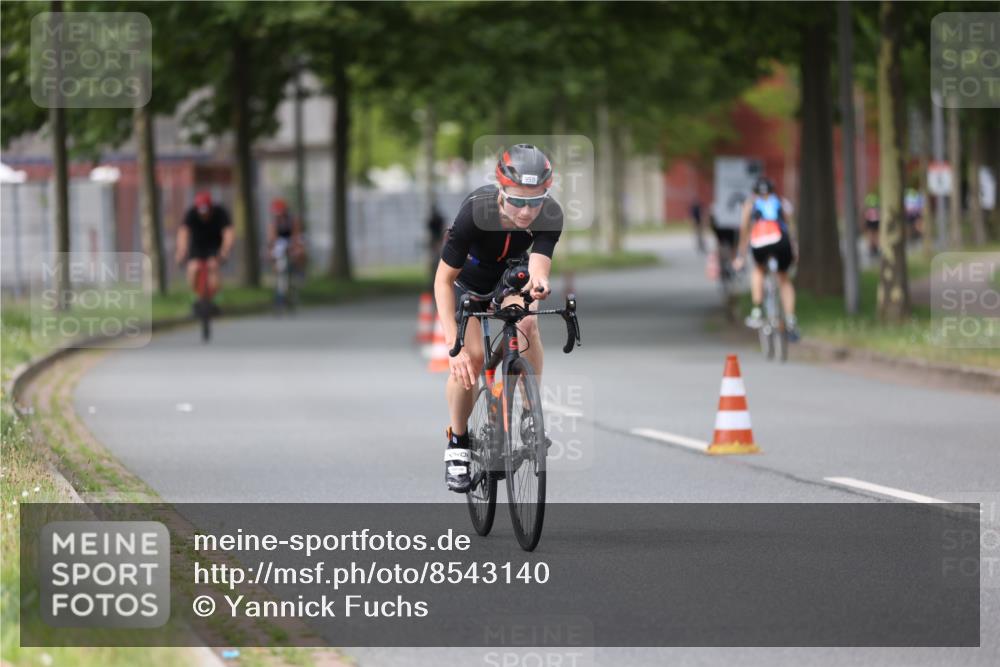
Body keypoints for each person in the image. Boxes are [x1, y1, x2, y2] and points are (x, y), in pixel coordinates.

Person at [433, 144, 563, 493]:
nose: (527, 211)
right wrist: (453, 345)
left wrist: (540, 282)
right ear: (500, 190)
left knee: (529, 324)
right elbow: (443, 281)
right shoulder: (475, 213)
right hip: (468, 284)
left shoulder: (549, 213)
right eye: (518, 200)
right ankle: (458, 442)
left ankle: (528, 415)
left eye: (535, 201)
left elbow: (539, 263)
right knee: (471, 361)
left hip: (510, 278)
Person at [732, 176, 799, 341]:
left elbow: (744, 229)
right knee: (784, 279)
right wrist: (795, 248)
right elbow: (790, 226)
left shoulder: (750, 203)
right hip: (781, 240)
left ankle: (756, 310)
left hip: (760, 241)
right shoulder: (782, 202)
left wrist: (740, 255)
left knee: (758, 270)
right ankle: (790, 319)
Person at [175, 191, 234, 313]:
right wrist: (181, 250)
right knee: (193, 268)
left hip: (214, 245)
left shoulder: (220, 213)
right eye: (201, 212)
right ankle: (197, 297)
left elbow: (228, 233)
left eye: (206, 211)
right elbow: (183, 233)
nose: (204, 215)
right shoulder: (191, 213)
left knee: (213, 266)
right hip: (197, 246)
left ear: (211, 208)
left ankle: (213, 298)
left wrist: (225, 250)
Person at [266, 197, 305, 269]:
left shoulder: (293, 220)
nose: (279, 215)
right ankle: (277, 273)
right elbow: (272, 237)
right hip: (280, 241)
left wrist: (295, 245)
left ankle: (299, 270)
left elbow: (296, 234)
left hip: (292, 239)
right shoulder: (273, 223)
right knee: (272, 255)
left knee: (299, 252)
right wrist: (271, 248)